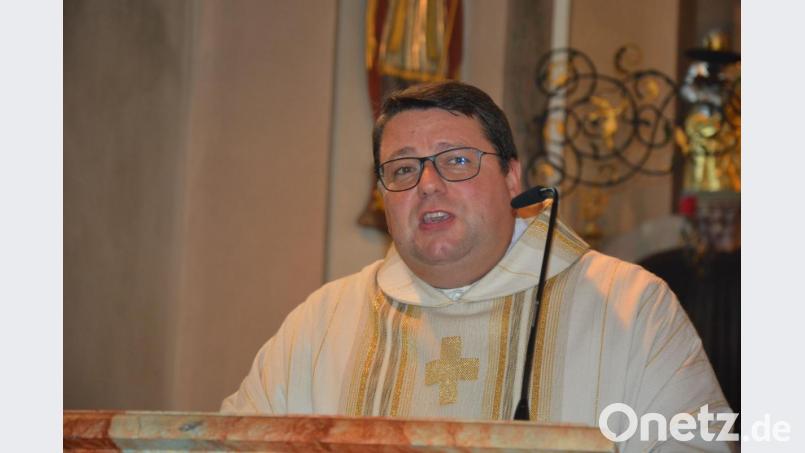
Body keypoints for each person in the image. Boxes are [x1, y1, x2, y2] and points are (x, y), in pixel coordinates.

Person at [221, 81, 733, 452]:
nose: (427, 185)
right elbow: (230, 445)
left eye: (457, 160)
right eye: (402, 168)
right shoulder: (322, 322)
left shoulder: (631, 307)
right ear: (383, 196)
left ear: (513, 178)